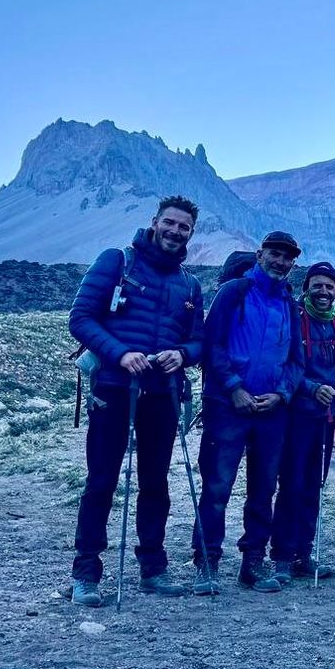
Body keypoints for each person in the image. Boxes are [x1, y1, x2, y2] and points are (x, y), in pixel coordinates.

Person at [68, 196, 204, 607]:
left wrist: (181, 355)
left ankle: (153, 568)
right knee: (101, 481)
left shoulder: (190, 284)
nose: (175, 231)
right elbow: (80, 318)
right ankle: (86, 573)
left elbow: (198, 341)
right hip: (113, 386)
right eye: (170, 223)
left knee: (156, 482)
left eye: (184, 227)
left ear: (190, 234)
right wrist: (120, 354)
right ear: (155, 222)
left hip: (162, 391)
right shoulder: (117, 262)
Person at [192, 231, 304, 594]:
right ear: (260, 254)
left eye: (288, 258)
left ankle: (252, 563)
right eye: (275, 253)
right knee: (217, 485)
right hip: (228, 406)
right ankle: (206, 563)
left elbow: (295, 360)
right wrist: (233, 388)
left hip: (271, 410)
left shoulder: (288, 301)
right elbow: (214, 345)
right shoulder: (234, 292)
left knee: (262, 488)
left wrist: (282, 393)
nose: (281, 262)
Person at [270, 262, 335, 583]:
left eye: (329, 286)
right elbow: (285, 366)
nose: (323, 291)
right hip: (297, 416)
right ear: (306, 287)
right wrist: (314, 389)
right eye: (318, 285)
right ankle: (282, 555)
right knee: (292, 484)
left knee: (314, 485)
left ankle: (303, 552)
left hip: (325, 419)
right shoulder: (295, 320)